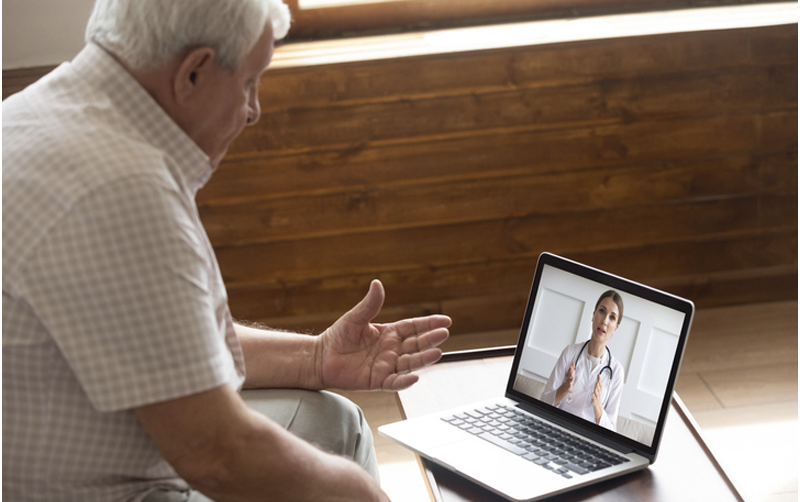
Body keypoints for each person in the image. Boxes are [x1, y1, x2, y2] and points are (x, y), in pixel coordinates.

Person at [2, 1, 452, 501]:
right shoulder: (121, 190)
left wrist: (315, 357)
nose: (253, 110)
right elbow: (217, 455)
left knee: (333, 423)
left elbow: (164, 337)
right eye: (248, 83)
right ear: (193, 72)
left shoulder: (37, 112)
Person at [540, 290, 625, 431]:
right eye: (602, 311)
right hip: (558, 429)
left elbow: (611, 431)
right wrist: (565, 388)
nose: (604, 321)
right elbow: (543, 403)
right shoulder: (570, 353)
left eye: (612, 317)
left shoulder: (616, 372)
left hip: (588, 441)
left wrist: (598, 406)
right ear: (593, 315)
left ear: (615, 328)